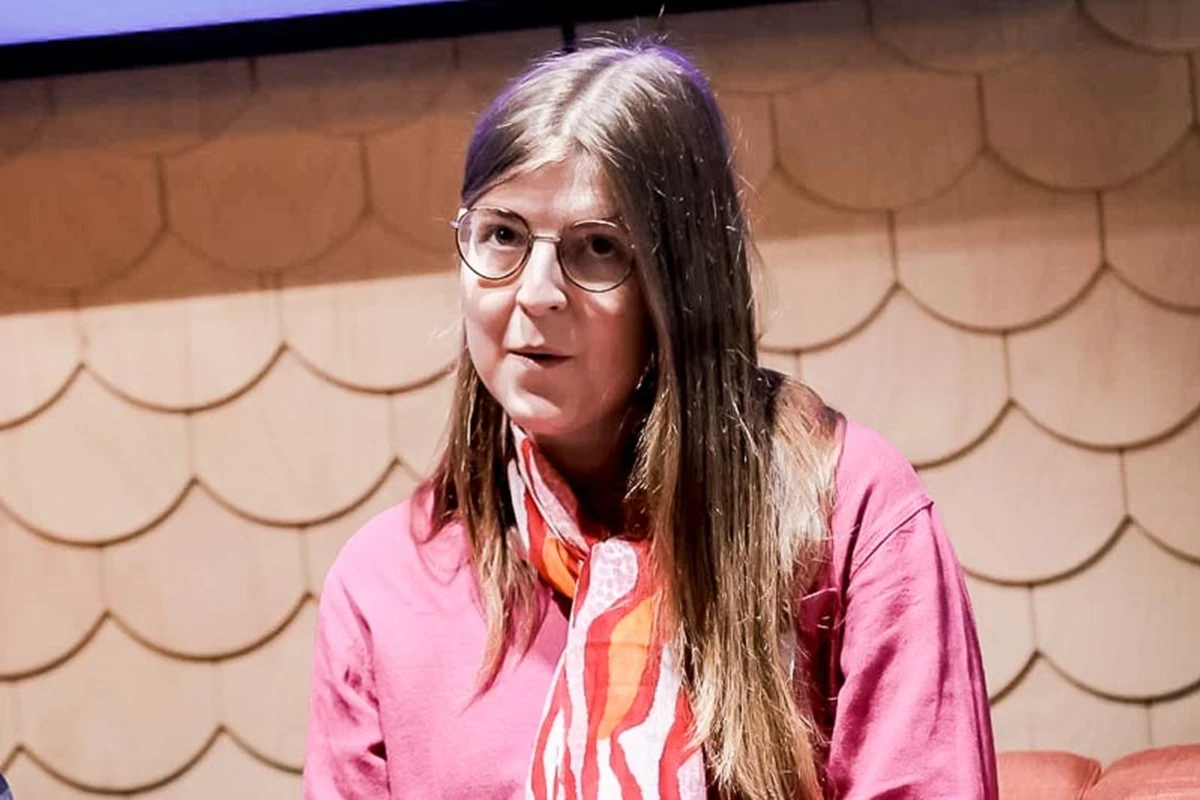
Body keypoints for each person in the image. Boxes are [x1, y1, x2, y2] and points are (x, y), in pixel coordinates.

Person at [304, 39, 998, 799]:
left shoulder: (854, 511)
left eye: (597, 247)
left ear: (683, 283)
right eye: (501, 234)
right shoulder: (381, 582)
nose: (536, 292)